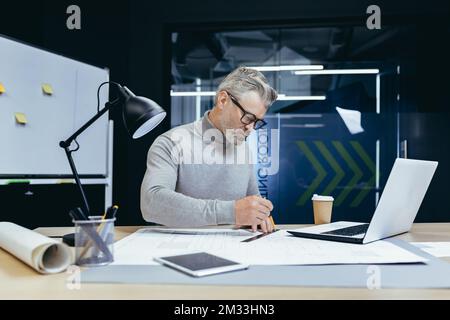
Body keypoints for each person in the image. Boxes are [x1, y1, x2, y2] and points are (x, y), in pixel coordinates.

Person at [141, 66, 278, 232]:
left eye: (256, 122)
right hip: (179, 249)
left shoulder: (243, 148)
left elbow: (252, 202)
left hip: (234, 248)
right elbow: (151, 203)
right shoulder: (171, 142)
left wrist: (259, 214)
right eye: (248, 117)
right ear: (223, 100)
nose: (251, 128)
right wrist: (231, 211)